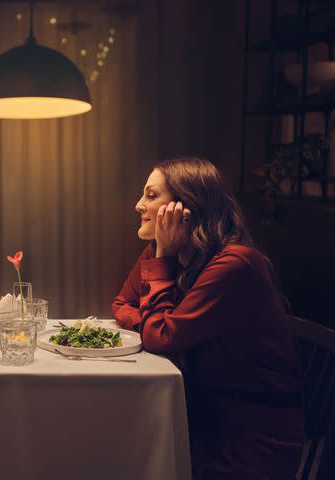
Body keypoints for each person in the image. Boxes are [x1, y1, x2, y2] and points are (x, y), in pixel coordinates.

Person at [112, 157, 303, 479]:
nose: (138, 205)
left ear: (186, 207)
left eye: (151, 195)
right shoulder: (163, 253)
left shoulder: (235, 263)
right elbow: (123, 304)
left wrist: (152, 324)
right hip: (202, 413)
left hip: (248, 433)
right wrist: (150, 324)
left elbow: (162, 337)